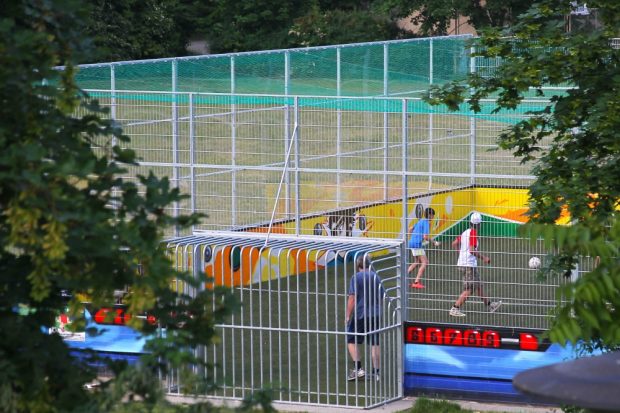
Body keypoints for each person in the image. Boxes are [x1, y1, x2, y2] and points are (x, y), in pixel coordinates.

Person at [449, 212, 502, 317]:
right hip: (468, 264)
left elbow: (454, 243)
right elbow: (472, 250)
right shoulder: (473, 233)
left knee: (478, 285)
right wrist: (484, 258)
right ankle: (455, 308)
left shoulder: (465, 232)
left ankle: (490, 305)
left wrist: (461, 254)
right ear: (479, 224)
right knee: (469, 289)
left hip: (465, 263)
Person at [345, 254, 385, 381]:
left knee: (351, 340)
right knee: (374, 342)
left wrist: (347, 315)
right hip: (376, 313)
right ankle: (376, 372)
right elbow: (381, 296)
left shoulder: (356, 277)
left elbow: (352, 298)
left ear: (358, 266)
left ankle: (358, 369)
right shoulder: (376, 277)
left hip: (361, 313)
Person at [408, 207, 440, 289]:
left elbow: (410, 229)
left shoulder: (420, 221)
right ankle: (416, 282)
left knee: (417, 262)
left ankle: (403, 276)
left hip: (411, 243)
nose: (433, 217)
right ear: (430, 215)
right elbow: (425, 237)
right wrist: (434, 242)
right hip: (417, 244)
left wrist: (412, 238)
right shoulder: (426, 223)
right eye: (433, 215)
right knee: (425, 262)